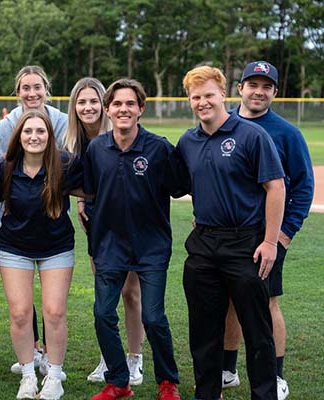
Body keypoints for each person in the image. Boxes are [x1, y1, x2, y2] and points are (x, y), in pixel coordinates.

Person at [178, 66, 286, 400]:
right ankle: (207, 393)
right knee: (204, 329)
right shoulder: (188, 140)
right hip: (204, 243)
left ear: (223, 94)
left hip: (245, 244)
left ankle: (265, 394)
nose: (202, 102)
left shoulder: (251, 135)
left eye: (208, 95)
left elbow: (276, 187)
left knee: (257, 330)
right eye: (196, 97)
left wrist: (270, 242)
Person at [84, 79, 186, 400]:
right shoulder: (96, 148)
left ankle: (167, 382)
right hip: (109, 246)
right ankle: (119, 381)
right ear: (107, 109)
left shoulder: (159, 148)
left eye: (130, 104)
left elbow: (181, 186)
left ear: (141, 109)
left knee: (153, 317)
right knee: (102, 314)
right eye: (117, 104)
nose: (123, 109)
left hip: (151, 246)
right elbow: (87, 190)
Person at [221, 61, 314, 399]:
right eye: (252, 84)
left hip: (266, 236)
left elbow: (302, 187)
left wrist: (282, 236)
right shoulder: (223, 123)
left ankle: (275, 376)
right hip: (226, 235)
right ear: (240, 88)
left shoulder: (286, 133)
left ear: (275, 92)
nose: (258, 91)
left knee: (267, 302)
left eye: (266, 86)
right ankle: (227, 369)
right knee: (229, 302)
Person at [0, 109, 83, 399]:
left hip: (56, 247)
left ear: (50, 136)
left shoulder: (66, 164)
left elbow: (93, 188)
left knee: (54, 312)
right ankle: (28, 375)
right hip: (14, 246)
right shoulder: (5, 168)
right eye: (28, 131)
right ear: (19, 136)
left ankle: (54, 376)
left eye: (40, 131)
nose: (34, 137)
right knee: (20, 313)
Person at [0, 65, 68, 378]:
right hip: (17, 220)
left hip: (52, 220)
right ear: (17, 92)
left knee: (54, 304)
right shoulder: (7, 124)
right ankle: (32, 349)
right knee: (20, 303)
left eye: (37, 87)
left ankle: (51, 355)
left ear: (46, 88)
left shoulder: (60, 121)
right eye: (25, 88)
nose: (32, 93)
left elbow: (70, 167)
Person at [64, 77, 146, 385]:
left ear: (105, 105)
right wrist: (85, 198)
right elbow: (69, 182)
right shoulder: (72, 141)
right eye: (81, 101)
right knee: (105, 293)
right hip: (97, 224)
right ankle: (109, 358)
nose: (88, 107)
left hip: (130, 222)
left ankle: (135, 358)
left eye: (93, 101)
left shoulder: (118, 135)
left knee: (131, 291)